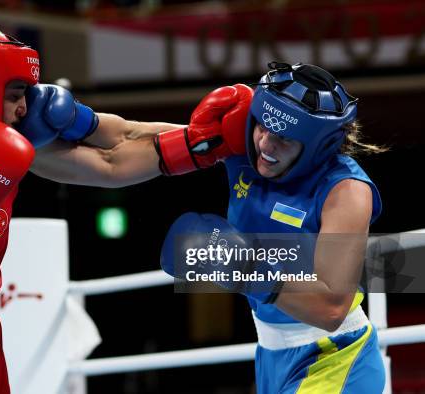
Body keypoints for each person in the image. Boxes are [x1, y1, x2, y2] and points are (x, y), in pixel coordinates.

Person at [0, 16, 249, 393]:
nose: (25, 108)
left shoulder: (11, 146)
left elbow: (112, 160)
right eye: (15, 96)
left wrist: (208, 144)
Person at [159, 62, 388, 393]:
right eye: (262, 127)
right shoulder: (248, 151)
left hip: (335, 357)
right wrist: (82, 123)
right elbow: (139, 141)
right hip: (270, 356)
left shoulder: (346, 190)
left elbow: (331, 307)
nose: (265, 144)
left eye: (282, 137)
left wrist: (246, 268)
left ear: (317, 146)